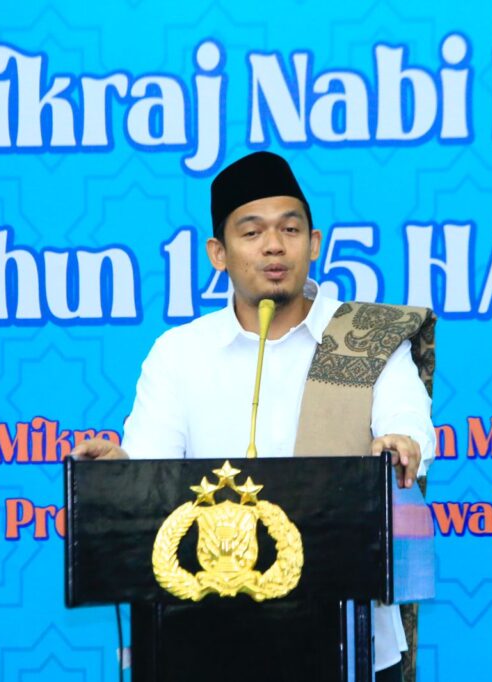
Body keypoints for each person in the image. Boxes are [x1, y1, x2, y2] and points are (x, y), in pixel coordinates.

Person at [73, 151, 436, 681]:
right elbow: (151, 471)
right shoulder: (180, 353)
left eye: (290, 229)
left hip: (349, 640)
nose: (274, 245)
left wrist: (402, 443)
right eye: (252, 232)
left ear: (314, 243)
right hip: (206, 642)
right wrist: (116, 474)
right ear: (218, 253)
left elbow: (409, 420)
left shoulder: (365, 340)